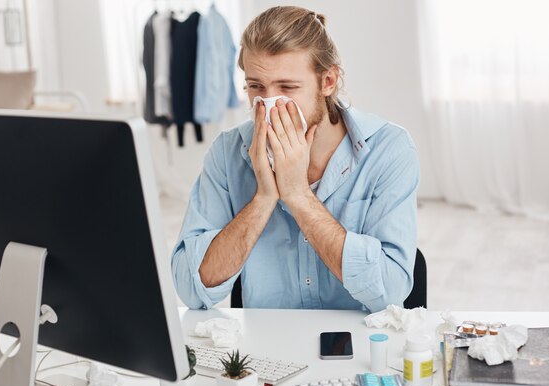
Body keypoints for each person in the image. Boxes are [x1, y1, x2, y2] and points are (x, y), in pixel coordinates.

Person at [171, 6, 419, 313]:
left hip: (359, 345)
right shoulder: (227, 152)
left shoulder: (388, 149)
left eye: (287, 87)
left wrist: (299, 195)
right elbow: (190, 290)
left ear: (328, 81)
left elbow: (391, 292)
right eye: (256, 87)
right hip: (268, 353)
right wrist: (263, 198)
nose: (268, 104)